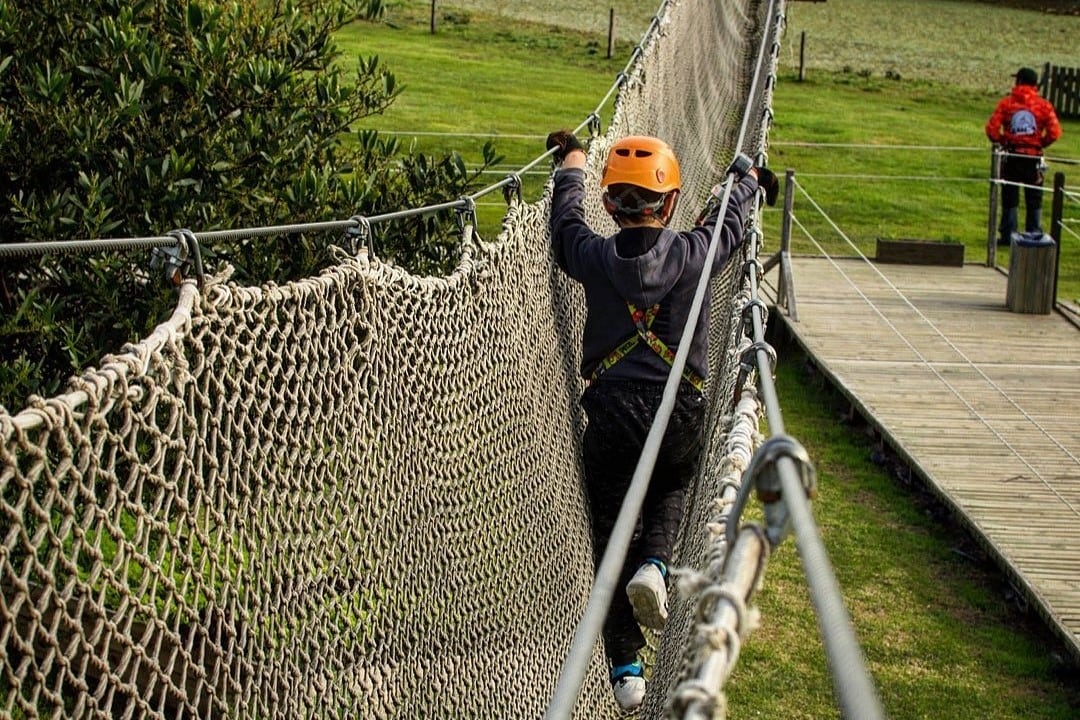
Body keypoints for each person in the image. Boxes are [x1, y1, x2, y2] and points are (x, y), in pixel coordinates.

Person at [545, 130, 777, 710]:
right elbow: (725, 226)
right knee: (674, 481)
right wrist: (748, 183)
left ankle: (625, 666)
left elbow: (565, 227)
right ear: (668, 203)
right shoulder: (695, 253)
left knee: (607, 530)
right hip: (680, 410)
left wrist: (573, 163)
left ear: (609, 205)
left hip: (611, 411)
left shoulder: (594, 258)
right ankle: (656, 562)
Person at [985, 66, 1062, 245]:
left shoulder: (1007, 104)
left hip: (1012, 154)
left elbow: (992, 129)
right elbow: (1055, 132)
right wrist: (1040, 143)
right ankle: (1034, 233)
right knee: (1034, 195)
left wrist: (1004, 140)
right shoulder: (1044, 105)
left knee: (1010, 194)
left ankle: (1007, 234)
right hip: (1033, 157)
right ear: (1036, 84)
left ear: (1018, 81)